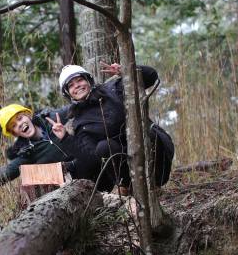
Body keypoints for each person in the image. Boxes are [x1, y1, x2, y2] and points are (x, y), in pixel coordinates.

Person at [47, 62, 174, 193]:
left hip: (152, 150)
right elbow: (92, 158)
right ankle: (127, 187)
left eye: (80, 80)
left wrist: (127, 71)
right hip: (125, 167)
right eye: (71, 85)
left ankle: (154, 185)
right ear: (68, 93)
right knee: (104, 146)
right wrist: (65, 138)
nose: (77, 86)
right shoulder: (79, 123)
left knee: (149, 132)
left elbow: (151, 76)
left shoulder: (113, 89)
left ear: (89, 80)